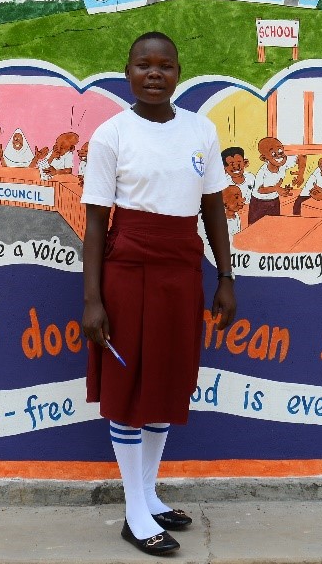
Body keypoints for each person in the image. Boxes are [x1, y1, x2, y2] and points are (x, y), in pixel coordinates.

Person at [81, 31, 236, 556]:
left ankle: (149, 493)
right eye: (143, 65)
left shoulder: (201, 131)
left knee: (166, 382)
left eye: (164, 65)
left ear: (178, 73)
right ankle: (133, 510)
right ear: (127, 72)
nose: (154, 74)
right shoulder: (111, 135)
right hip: (127, 274)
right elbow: (96, 222)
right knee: (128, 389)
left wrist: (225, 278)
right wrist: (92, 299)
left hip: (180, 272)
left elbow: (212, 207)